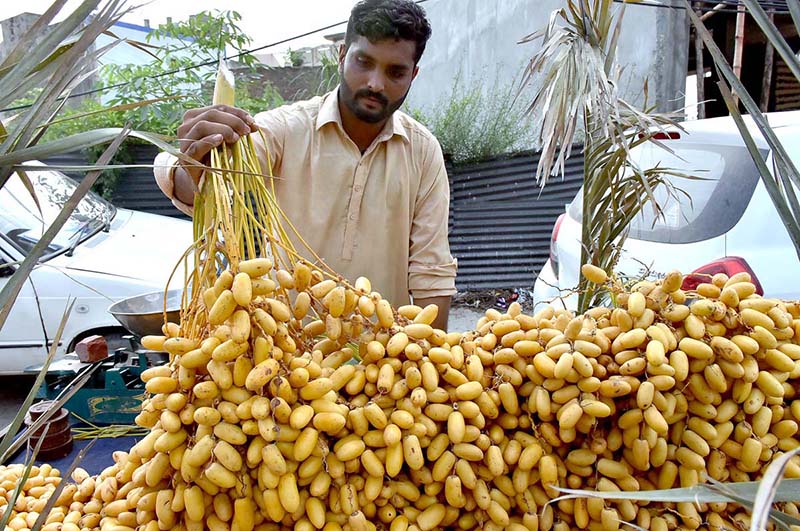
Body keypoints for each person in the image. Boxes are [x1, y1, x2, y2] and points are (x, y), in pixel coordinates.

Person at [154, 0, 456, 330]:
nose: (375, 83)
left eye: (395, 72)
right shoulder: (286, 129)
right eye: (363, 62)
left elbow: (432, 273)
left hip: (377, 366)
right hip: (285, 355)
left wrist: (431, 362)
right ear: (341, 55)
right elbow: (206, 182)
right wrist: (192, 164)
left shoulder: (422, 151)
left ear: (413, 75)